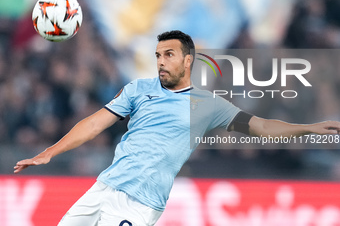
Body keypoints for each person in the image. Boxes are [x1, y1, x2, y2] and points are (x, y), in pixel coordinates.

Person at [14, 30, 340, 226]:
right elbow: (96, 123)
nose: (160, 61)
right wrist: (50, 152)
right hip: (104, 187)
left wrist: (308, 127)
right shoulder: (137, 89)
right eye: (157, 55)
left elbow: (264, 127)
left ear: (188, 61)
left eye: (168, 55)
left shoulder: (209, 105)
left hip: (139, 203)